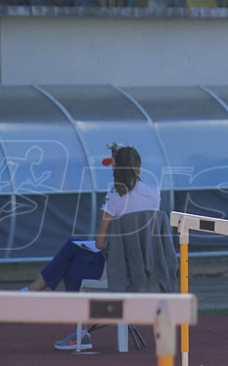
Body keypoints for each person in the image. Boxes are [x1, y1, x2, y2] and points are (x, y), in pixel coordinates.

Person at [23, 144, 162, 350]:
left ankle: (77, 328)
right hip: (143, 267)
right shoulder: (154, 194)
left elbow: (99, 242)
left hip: (115, 269)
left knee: (70, 258)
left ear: (115, 170)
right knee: (72, 250)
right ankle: (37, 295)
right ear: (139, 168)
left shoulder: (115, 197)